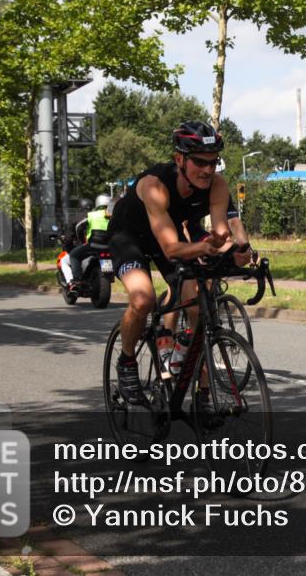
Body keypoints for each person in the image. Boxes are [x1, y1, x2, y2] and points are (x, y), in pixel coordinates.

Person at [107, 121, 253, 406]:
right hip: (130, 237)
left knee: (201, 303)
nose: (208, 170)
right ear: (179, 160)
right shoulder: (154, 186)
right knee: (143, 298)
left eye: (213, 162)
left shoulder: (218, 185)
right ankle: (126, 362)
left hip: (171, 234)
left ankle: (202, 396)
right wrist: (203, 247)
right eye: (199, 162)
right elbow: (172, 248)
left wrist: (235, 251)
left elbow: (221, 233)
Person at [60, 194, 112, 292]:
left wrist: (80, 238)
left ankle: (77, 280)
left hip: (93, 245)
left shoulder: (92, 215)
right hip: (110, 246)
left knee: (74, 256)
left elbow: (78, 227)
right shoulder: (113, 215)